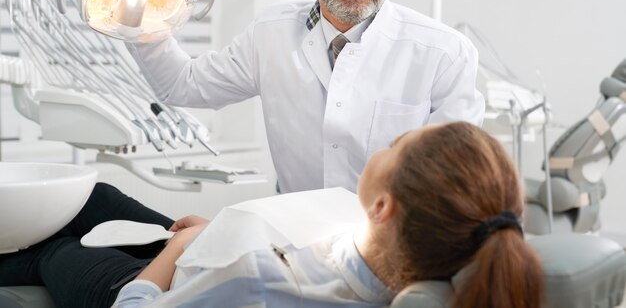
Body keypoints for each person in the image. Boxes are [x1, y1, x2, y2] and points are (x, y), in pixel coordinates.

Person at [122, 0, 485, 193]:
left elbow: (454, 185)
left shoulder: (444, 54)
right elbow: (181, 85)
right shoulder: (270, 34)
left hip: (394, 248)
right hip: (294, 242)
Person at [0, 122, 542, 308]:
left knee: (49, 245)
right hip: (210, 252)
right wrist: (214, 237)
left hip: (155, 280)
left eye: (395, 147)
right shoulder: (409, 257)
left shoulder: (262, 283)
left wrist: (177, 251)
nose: (382, 147)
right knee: (95, 196)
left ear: (383, 207)